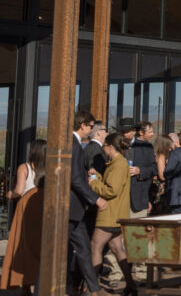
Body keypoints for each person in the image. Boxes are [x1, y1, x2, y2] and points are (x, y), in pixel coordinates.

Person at [88, 133, 138, 296]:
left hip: (109, 213)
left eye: (104, 146)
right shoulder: (119, 163)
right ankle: (130, 284)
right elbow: (113, 184)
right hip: (117, 213)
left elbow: (112, 190)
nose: (103, 149)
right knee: (117, 248)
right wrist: (99, 177)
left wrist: (94, 183)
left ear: (110, 146)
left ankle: (93, 287)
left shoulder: (118, 164)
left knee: (95, 246)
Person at [69, 110, 106, 295]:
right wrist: (95, 198)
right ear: (82, 125)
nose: (92, 130)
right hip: (70, 207)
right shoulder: (75, 145)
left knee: (83, 249)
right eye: (91, 127)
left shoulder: (77, 144)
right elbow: (74, 179)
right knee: (59, 251)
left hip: (75, 209)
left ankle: (94, 289)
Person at [1, 147, 44, 294]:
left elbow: (19, 191)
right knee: (40, 244)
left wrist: (8, 194)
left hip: (27, 207)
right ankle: (38, 280)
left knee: (23, 244)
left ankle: (25, 284)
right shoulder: (49, 166)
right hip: (44, 205)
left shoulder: (25, 167)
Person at [128, 121, 156, 218]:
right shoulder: (118, 144)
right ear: (141, 132)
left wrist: (140, 171)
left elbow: (154, 169)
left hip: (139, 199)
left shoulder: (148, 147)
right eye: (150, 132)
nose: (153, 134)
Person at [149, 134, 173, 215]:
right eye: (168, 146)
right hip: (159, 191)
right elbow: (162, 176)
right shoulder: (161, 156)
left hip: (152, 189)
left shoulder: (154, 154)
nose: (170, 149)